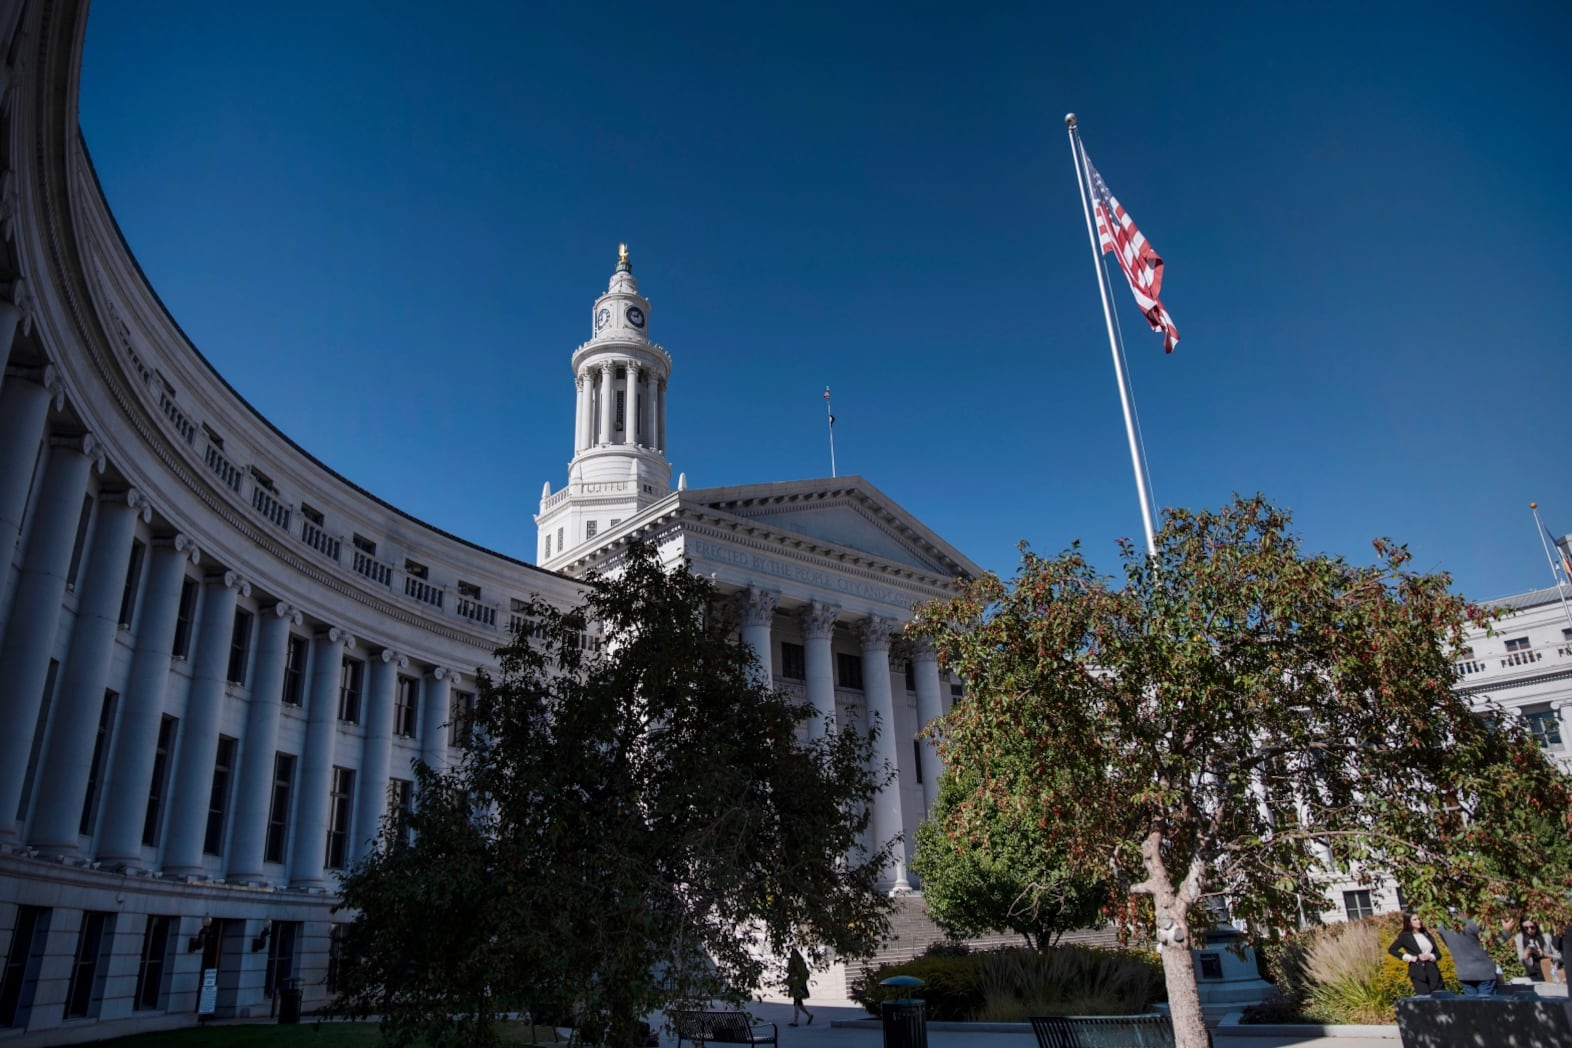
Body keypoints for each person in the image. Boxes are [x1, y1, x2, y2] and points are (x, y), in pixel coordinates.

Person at [1436, 915, 1498, 996]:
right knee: (1487, 1005)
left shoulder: (1442, 927)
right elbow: (1492, 944)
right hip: (1484, 972)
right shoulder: (1473, 923)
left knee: (1471, 1005)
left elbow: (1448, 944)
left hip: (1463, 972)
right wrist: (1506, 931)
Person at [1388, 912, 1445, 996]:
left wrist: (1430, 956)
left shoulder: (1426, 934)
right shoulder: (1405, 936)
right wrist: (1408, 957)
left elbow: (1438, 954)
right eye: (1415, 920)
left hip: (1433, 971)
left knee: (1440, 997)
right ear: (1409, 923)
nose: (1418, 921)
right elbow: (1392, 949)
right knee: (1425, 999)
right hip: (1418, 972)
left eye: (1419, 919)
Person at [786, 947, 813, 1027]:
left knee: (797, 1002)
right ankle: (809, 1015)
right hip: (795, 985)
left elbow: (803, 974)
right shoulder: (798, 963)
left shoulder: (800, 964)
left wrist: (796, 978)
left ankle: (795, 1021)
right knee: (799, 1003)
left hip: (798, 986)